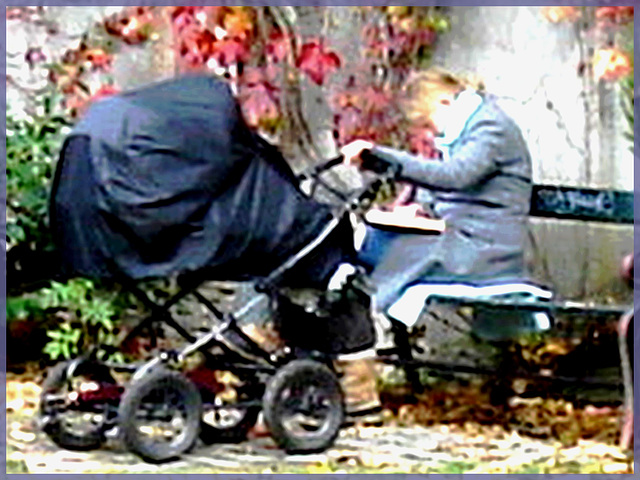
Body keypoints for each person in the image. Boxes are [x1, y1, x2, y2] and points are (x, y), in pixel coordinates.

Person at [341, 67, 533, 335]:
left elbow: (456, 176)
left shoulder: (491, 128)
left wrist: (380, 158)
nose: (431, 134)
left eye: (428, 125)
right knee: (377, 244)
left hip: (488, 251)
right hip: (464, 240)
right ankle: (361, 331)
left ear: (444, 103)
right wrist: (421, 210)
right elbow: (451, 189)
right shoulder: (466, 132)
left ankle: (366, 333)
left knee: (394, 253)